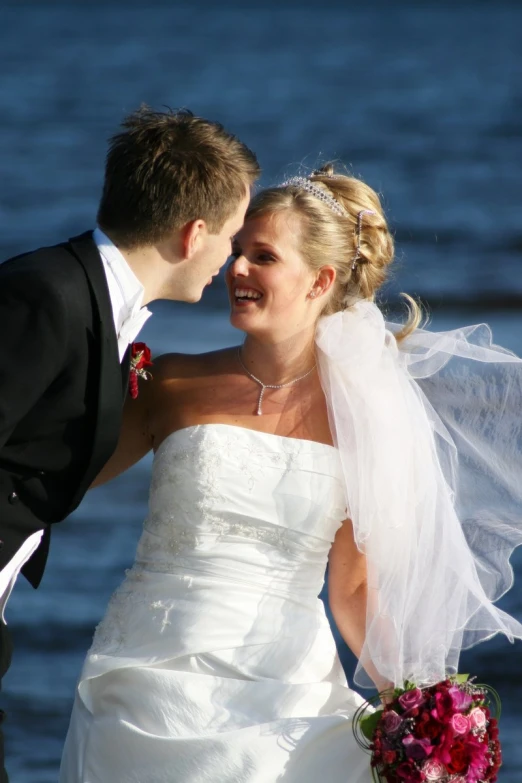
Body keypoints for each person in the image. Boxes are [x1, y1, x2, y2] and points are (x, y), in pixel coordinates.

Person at [60, 166, 522, 782]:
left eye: (264, 257)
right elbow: (65, 479)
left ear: (320, 281)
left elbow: (353, 589)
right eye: (237, 252)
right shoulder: (171, 382)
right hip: (142, 681)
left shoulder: (364, 417)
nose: (237, 271)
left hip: (286, 703)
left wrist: (422, 717)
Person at [0, 106, 259, 781]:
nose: (230, 259)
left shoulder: (102, 307)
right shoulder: (45, 295)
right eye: (232, 237)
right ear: (193, 232)